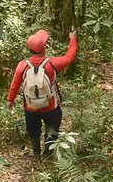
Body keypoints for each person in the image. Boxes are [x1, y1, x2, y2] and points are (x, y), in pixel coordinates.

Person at [7, 28, 77, 158]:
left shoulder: (22, 65)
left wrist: (10, 100)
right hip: (50, 106)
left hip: (30, 106)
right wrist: (72, 39)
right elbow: (69, 57)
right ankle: (48, 154)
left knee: (33, 131)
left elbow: (15, 85)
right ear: (44, 48)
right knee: (52, 129)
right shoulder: (52, 63)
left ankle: (36, 154)